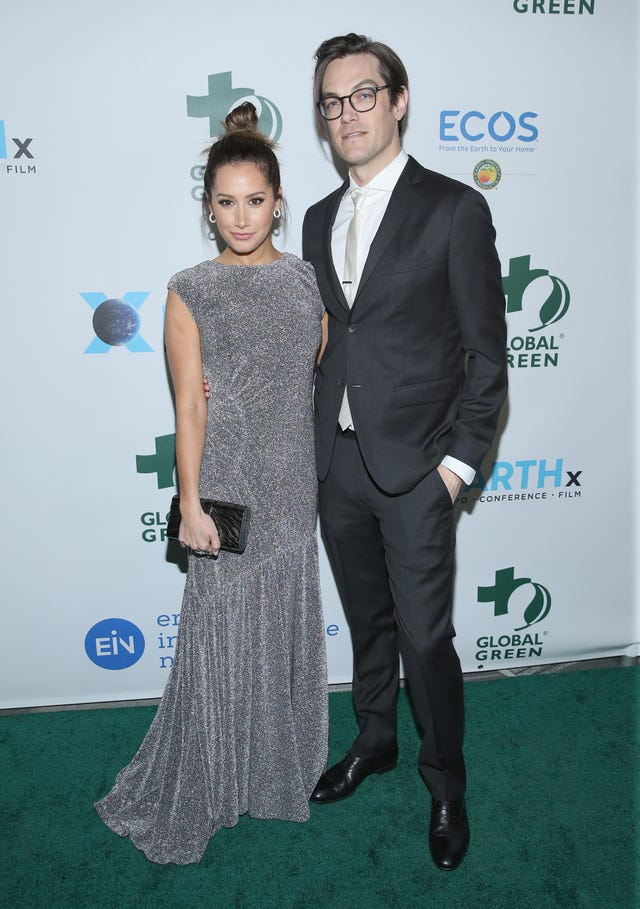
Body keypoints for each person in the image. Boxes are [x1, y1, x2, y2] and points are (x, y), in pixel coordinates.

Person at [95, 103, 328, 865]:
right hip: (226, 483)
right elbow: (188, 407)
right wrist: (189, 503)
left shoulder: (307, 280)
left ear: (278, 203)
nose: (241, 216)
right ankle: (214, 778)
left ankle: (273, 771)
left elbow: (318, 375)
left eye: (255, 200)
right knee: (220, 634)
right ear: (207, 208)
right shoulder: (189, 288)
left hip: (292, 484)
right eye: (225, 202)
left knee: (281, 628)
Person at [302, 34, 508, 871]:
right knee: (368, 622)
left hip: (419, 469)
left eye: (363, 94)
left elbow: (487, 356)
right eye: (331, 101)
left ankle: (446, 782)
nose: (346, 113)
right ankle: (375, 738)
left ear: (398, 100)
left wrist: (456, 468)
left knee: (425, 639)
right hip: (339, 464)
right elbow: (327, 341)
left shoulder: (454, 210)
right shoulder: (317, 218)